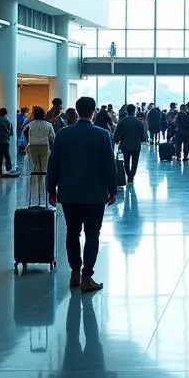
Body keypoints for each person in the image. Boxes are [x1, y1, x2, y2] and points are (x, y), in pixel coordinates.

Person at [47, 96, 119, 293]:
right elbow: (109, 165)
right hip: (95, 194)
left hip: (69, 193)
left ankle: (74, 271)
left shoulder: (63, 134)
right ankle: (87, 276)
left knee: (72, 232)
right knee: (92, 234)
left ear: (77, 111)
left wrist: (51, 189)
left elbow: (53, 164)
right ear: (93, 111)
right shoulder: (102, 135)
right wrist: (112, 189)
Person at [113, 104, 146, 183]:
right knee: (135, 162)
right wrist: (142, 139)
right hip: (136, 146)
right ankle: (132, 176)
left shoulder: (122, 121)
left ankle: (128, 175)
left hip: (125, 145)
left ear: (126, 111)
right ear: (134, 111)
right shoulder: (139, 122)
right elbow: (143, 136)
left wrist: (117, 140)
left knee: (126, 161)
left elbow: (116, 134)